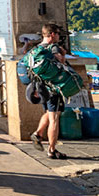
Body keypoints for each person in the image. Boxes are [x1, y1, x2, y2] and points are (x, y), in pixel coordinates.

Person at [30, 23, 67, 160]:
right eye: (57, 33)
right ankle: (52, 150)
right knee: (54, 119)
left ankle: (38, 134)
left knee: (49, 113)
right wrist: (63, 55)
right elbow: (61, 62)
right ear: (52, 34)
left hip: (41, 88)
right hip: (54, 88)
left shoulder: (37, 48)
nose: (58, 36)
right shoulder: (53, 47)